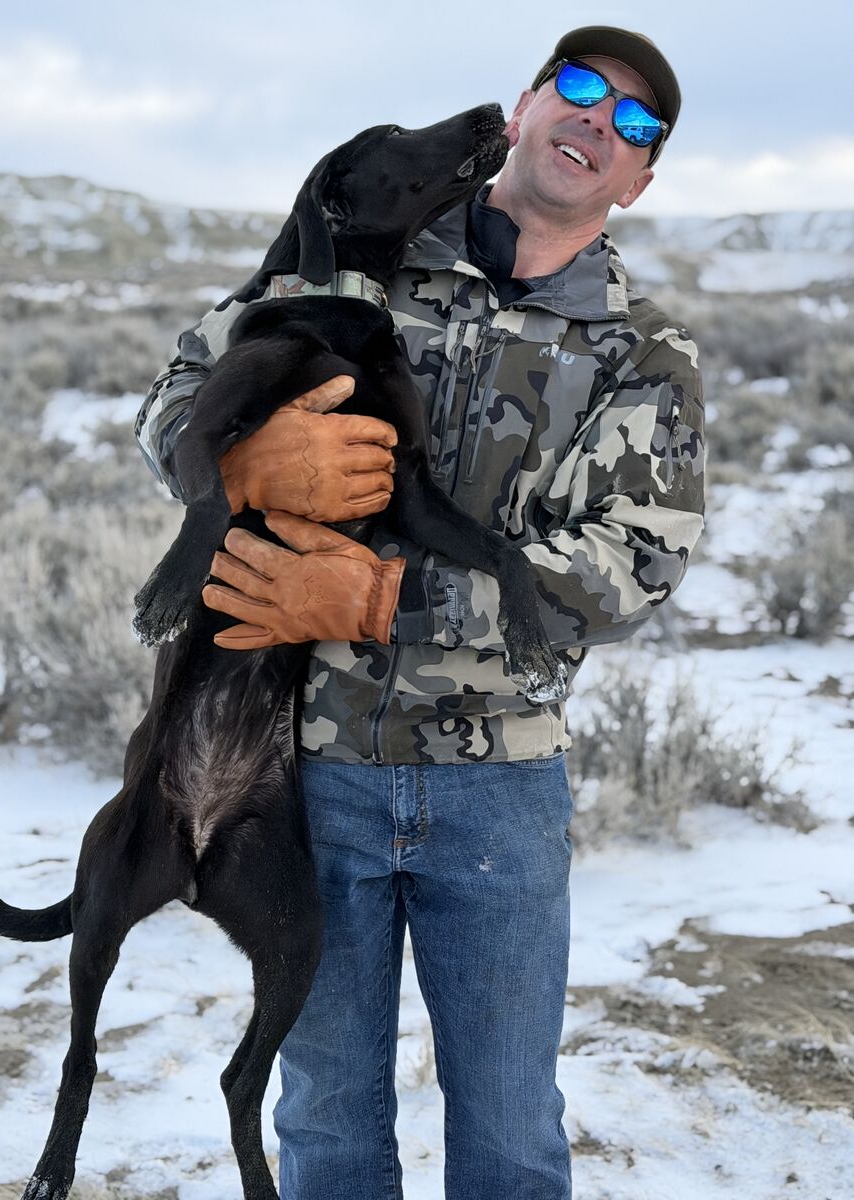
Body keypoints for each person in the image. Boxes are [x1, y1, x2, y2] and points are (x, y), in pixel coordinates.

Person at [135, 25, 705, 1200]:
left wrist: (385, 597)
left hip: (499, 786)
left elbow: (633, 566)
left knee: (508, 1138)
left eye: (636, 121)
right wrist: (242, 465)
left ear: (639, 181)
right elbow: (175, 397)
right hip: (308, 775)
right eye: (581, 87)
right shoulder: (360, 250)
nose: (600, 119)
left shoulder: (644, 354)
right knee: (327, 1124)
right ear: (525, 105)